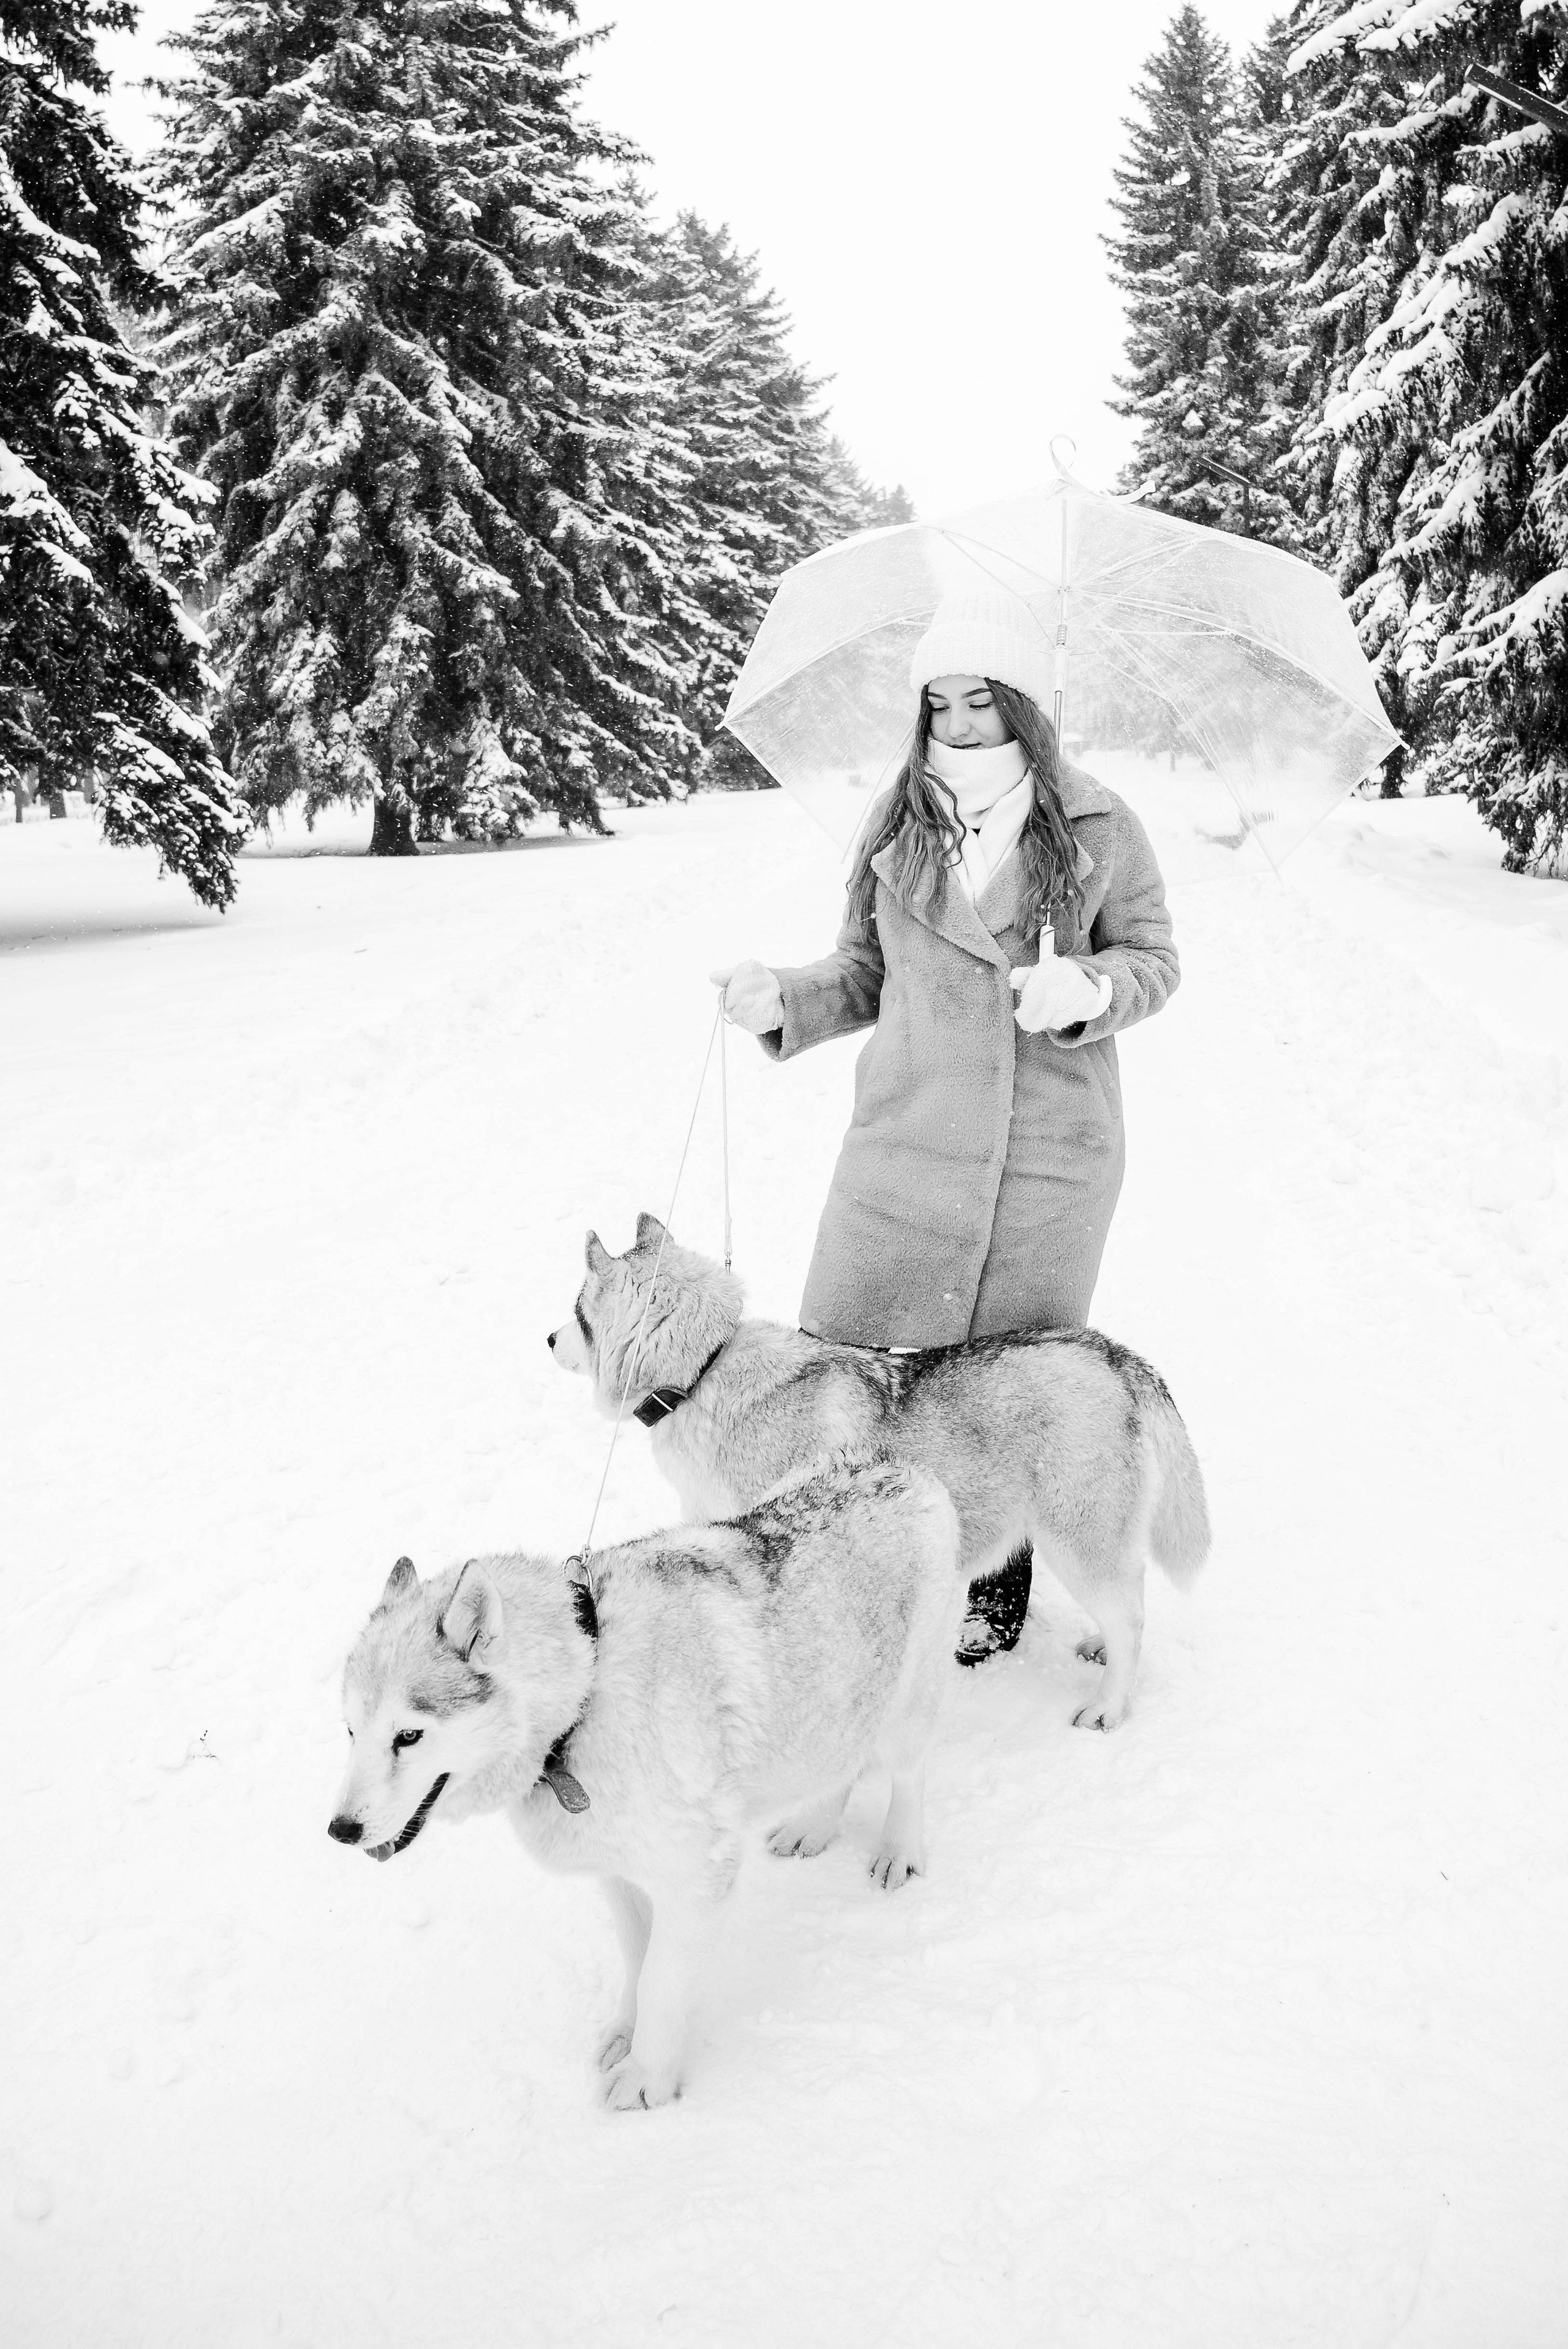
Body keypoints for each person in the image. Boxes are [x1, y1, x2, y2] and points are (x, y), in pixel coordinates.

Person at [713, 588, 1180, 1660]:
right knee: (847, 1356)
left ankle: (990, 1592)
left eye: (983, 700)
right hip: (907, 1142)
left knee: (999, 1387)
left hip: (1045, 1156)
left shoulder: (1100, 823)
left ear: (1026, 704)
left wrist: (1093, 988)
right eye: (940, 703)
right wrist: (784, 997)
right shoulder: (898, 823)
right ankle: (853, 1570)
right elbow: (863, 970)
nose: (960, 725)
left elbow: (1156, 958)